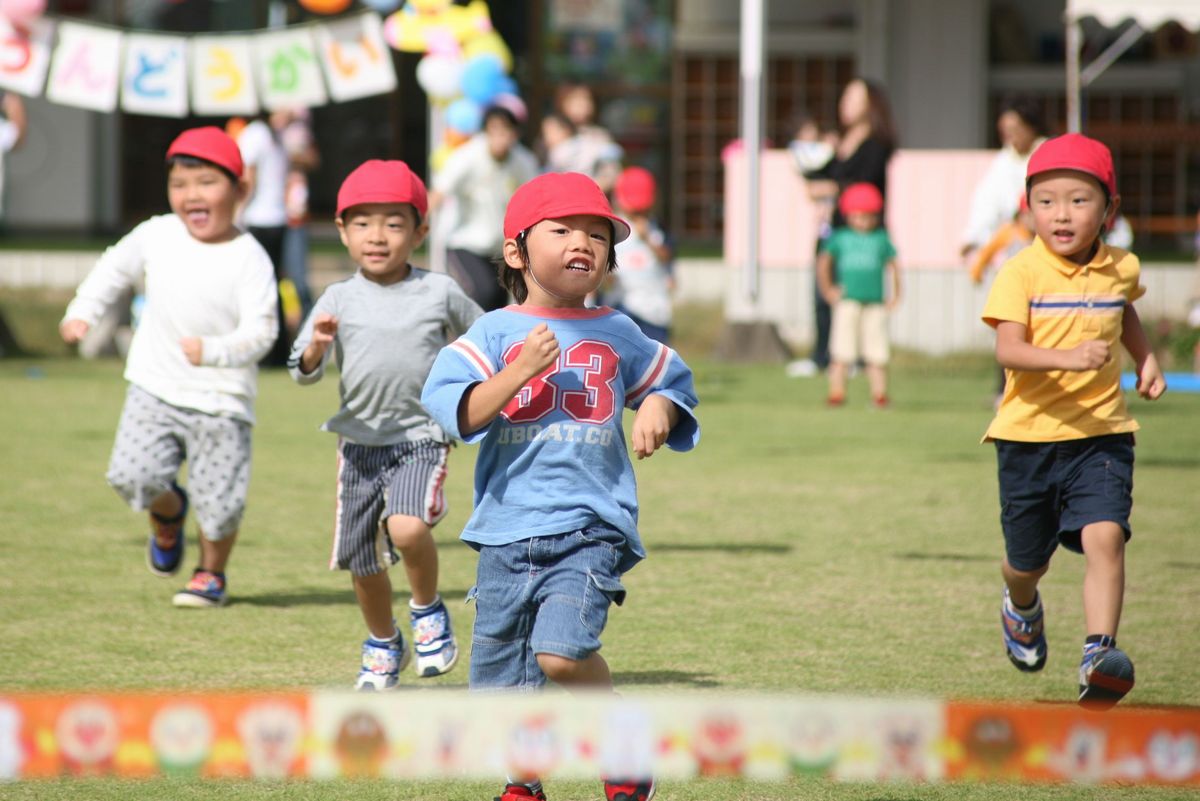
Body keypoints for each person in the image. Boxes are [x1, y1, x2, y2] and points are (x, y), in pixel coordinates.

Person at [421, 172, 699, 801]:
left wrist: (659, 406)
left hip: (589, 526)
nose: (584, 242)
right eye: (565, 230)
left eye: (598, 234)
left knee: (561, 654)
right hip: (504, 532)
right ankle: (524, 784)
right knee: (498, 686)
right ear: (517, 252)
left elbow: (671, 382)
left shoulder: (618, 330)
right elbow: (457, 412)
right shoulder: (493, 334)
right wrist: (517, 370)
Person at [981, 133, 1166, 710]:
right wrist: (1066, 358)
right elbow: (1008, 350)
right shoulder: (1019, 273)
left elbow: (1123, 306)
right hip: (1028, 438)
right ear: (1027, 207)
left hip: (1102, 434)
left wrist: (1147, 355)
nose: (1062, 213)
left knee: (1107, 536)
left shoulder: (1121, 266)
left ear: (1109, 209)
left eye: (1079, 200)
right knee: (1026, 562)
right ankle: (1021, 604)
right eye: (1047, 200)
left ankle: (1098, 654)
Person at [59, 126, 278, 608]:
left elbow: (263, 332)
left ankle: (210, 574)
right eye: (180, 185)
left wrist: (215, 351)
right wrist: (83, 311)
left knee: (220, 503)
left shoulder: (250, 258)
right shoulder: (156, 234)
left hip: (222, 400)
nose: (191, 195)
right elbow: (112, 268)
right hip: (154, 386)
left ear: (240, 190)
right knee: (131, 475)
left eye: (206, 183)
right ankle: (169, 511)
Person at [288, 160, 482, 690]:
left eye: (394, 223)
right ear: (343, 231)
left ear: (420, 232)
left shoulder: (438, 291)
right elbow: (300, 372)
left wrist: (488, 381)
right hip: (358, 446)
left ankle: (427, 611)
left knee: (407, 526)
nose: (378, 235)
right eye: (363, 223)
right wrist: (315, 349)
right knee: (362, 561)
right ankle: (382, 641)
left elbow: (486, 335)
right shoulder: (335, 298)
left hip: (421, 438)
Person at [801, 78, 897, 373]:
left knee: (855, 298)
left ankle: (854, 358)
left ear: (871, 105)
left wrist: (831, 188)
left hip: (860, 235)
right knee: (822, 292)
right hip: (832, 230)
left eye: (854, 98)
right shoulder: (838, 142)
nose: (846, 104)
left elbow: (863, 186)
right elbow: (817, 176)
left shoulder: (876, 145)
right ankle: (823, 356)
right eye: (845, 97)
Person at [430, 105, 539, 311]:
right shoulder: (466, 157)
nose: (500, 138)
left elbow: (535, 201)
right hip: (462, 242)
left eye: (505, 131)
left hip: (500, 248)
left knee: (498, 305)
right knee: (482, 293)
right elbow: (439, 192)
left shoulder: (523, 162)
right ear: (485, 133)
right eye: (494, 131)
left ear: (515, 134)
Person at [816, 183, 900, 407]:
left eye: (868, 216)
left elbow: (893, 266)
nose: (864, 221)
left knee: (877, 352)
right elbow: (824, 262)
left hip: (875, 302)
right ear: (849, 216)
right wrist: (827, 289)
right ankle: (837, 393)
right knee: (841, 351)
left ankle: (880, 394)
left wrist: (896, 294)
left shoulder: (881, 238)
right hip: (847, 301)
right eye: (858, 216)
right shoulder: (840, 238)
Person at [960, 96, 1048, 260]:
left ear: (1031, 127)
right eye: (1005, 133)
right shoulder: (1004, 161)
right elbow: (986, 200)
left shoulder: (1049, 153)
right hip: (1016, 243)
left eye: (1016, 131)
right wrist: (973, 237)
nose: (1011, 138)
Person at [237, 113, 292, 365]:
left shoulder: (256, 133)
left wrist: (235, 212)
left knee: (260, 285)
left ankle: (267, 352)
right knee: (273, 284)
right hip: (278, 218)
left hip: (259, 218)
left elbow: (249, 177)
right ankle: (277, 351)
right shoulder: (274, 135)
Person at [605, 165, 675, 344]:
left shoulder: (658, 229)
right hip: (621, 306)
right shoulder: (613, 229)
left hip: (654, 310)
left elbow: (668, 258)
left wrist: (648, 239)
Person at [274, 107, 320, 329]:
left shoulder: (298, 133)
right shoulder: (261, 134)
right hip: (266, 217)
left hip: (294, 215)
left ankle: (309, 328)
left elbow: (313, 159)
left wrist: (293, 154)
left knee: (298, 279)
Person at [554, 82, 623, 192]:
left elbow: (611, 174)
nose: (583, 104)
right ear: (563, 102)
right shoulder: (552, 131)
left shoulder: (600, 136)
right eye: (576, 99)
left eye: (587, 99)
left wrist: (586, 191)